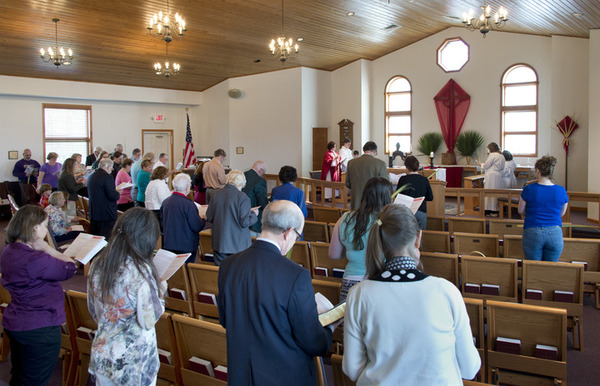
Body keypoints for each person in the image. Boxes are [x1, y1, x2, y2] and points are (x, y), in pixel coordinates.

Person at [343, 204, 481, 384]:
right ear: (418, 238)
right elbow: (469, 369)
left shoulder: (359, 294)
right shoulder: (446, 291)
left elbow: (352, 370)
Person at [217, 200, 333, 385]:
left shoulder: (228, 265)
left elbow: (225, 320)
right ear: (288, 232)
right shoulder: (296, 275)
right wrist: (329, 327)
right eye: (298, 235)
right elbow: (313, 342)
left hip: (241, 374)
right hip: (284, 376)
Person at [1, 205, 77, 385]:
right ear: (35, 228)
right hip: (39, 327)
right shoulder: (35, 259)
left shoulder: (10, 251)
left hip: (17, 321)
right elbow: (70, 268)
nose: (45, 229)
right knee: (34, 380)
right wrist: (48, 249)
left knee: (20, 375)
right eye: (44, 225)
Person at [87, 208, 164, 385]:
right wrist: (160, 291)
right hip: (133, 362)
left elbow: (94, 310)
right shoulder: (141, 271)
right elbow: (149, 319)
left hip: (103, 352)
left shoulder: (98, 263)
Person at [329, 177, 393, 301]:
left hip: (351, 282)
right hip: (381, 281)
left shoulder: (345, 219)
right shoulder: (389, 221)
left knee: (349, 320)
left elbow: (334, 254)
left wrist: (352, 249)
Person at [518, 156, 569, 262]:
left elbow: (520, 211)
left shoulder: (528, 189)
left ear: (537, 170)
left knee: (533, 267)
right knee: (549, 270)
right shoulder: (561, 190)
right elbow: (561, 213)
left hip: (533, 230)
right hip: (554, 232)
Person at [206, 170, 258, 265]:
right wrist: (254, 214)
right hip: (238, 245)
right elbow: (245, 222)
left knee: (220, 274)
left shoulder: (215, 194)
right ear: (241, 183)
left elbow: (209, 217)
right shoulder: (242, 197)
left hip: (219, 243)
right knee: (237, 275)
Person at [161, 174, 205, 264]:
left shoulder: (166, 202)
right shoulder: (188, 204)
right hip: (186, 245)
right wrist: (203, 220)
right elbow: (196, 226)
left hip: (169, 243)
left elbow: (162, 222)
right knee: (186, 273)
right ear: (187, 187)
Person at [345, 141, 388, 210]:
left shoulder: (351, 163)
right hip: (373, 204)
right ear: (374, 151)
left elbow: (347, 183)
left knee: (357, 220)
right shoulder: (380, 164)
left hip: (356, 203)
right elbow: (385, 186)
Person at [397, 155, 434, 230]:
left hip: (407, 211)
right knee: (420, 236)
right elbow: (430, 197)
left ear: (407, 167)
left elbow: (398, 196)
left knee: (407, 235)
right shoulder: (424, 180)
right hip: (421, 211)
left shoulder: (403, 179)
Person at [87, 158, 121, 238]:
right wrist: (118, 193)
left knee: (96, 239)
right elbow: (112, 195)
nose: (112, 170)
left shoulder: (92, 175)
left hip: (94, 213)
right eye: (111, 168)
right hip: (106, 214)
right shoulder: (107, 177)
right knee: (106, 239)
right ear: (108, 166)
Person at [242, 160, 268, 235]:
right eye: (263, 173)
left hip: (240, 216)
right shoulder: (260, 180)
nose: (263, 175)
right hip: (253, 220)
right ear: (261, 170)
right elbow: (262, 202)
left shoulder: (242, 175)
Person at [479, 142, 506, 214]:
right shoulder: (501, 156)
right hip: (499, 176)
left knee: (489, 192)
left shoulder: (492, 155)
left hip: (491, 176)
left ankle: (489, 209)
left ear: (491, 149)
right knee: (496, 192)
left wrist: (481, 164)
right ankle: (496, 209)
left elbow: (486, 166)